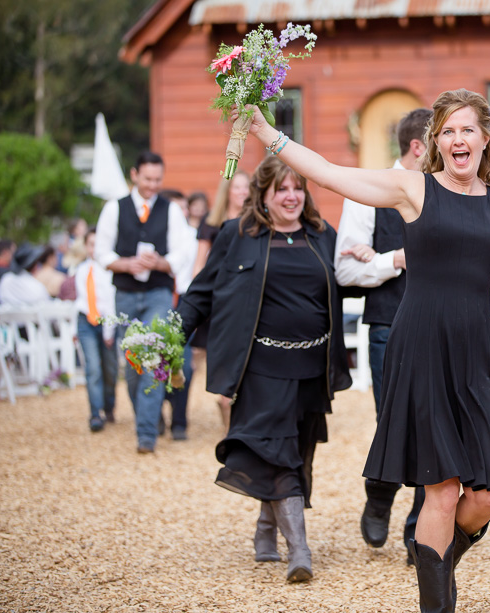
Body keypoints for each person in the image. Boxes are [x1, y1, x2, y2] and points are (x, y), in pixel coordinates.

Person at [232, 87, 490, 611]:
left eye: (467, 129)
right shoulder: (412, 188)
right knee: (442, 489)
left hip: (479, 350)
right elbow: (330, 173)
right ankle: (436, 601)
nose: (458, 139)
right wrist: (266, 133)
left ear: (486, 138)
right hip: (423, 347)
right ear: (435, 141)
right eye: (447, 131)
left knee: (488, 492)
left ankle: (437, 557)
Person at [176, 156, 352, 583]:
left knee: (296, 451)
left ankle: (264, 528)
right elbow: (201, 292)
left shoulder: (322, 235)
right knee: (277, 450)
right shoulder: (237, 234)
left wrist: (374, 260)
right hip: (260, 367)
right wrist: (170, 337)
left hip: (312, 366)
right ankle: (300, 551)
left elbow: (350, 282)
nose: (291, 197)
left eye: (297, 189)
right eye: (281, 189)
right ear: (264, 195)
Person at [334, 108, 431, 560]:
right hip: (388, 325)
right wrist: (394, 259)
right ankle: (380, 490)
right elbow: (345, 270)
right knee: (394, 422)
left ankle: (420, 531)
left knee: (436, 427)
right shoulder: (369, 193)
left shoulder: (450, 191)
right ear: (418, 147)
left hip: (442, 325)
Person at [94, 151, 189, 454]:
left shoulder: (171, 210)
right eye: (147, 179)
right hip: (125, 293)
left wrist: (160, 262)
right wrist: (126, 264)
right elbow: (101, 252)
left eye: (158, 180)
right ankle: (151, 415)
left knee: (153, 357)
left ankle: (146, 434)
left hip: (158, 293)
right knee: (134, 364)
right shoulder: (114, 208)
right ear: (134, 175)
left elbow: (182, 252)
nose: (152, 185)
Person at [192, 171, 249, 430]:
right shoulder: (212, 223)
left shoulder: (255, 222)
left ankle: (236, 419)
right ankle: (227, 419)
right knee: (218, 364)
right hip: (219, 302)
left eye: (246, 187)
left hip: (245, 301)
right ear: (227, 191)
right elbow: (200, 265)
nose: (242, 192)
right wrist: (199, 300)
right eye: (237, 187)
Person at [159, 188, 199, 441]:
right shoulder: (156, 235)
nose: (182, 213)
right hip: (159, 298)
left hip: (183, 301)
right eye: (177, 208)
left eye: (184, 208)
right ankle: (156, 411)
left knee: (183, 362)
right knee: (155, 359)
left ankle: (179, 419)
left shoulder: (193, 237)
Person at [74, 228, 118, 431]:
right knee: (92, 368)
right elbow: (80, 299)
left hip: (107, 322)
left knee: (110, 369)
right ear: (85, 246)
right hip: (86, 321)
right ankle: (95, 413)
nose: (94, 248)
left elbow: (110, 302)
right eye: (90, 244)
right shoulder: (81, 270)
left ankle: (109, 406)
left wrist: (109, 331)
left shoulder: (110, 270)